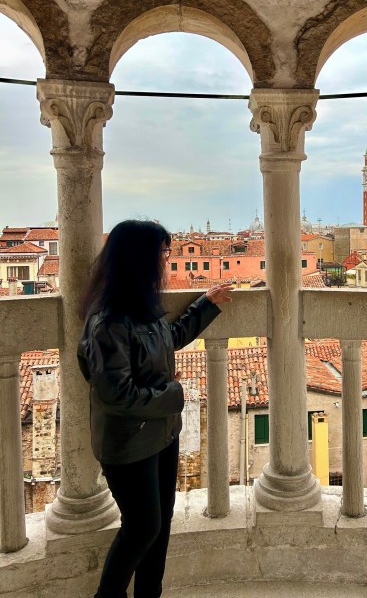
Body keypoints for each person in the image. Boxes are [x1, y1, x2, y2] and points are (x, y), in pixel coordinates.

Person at [77, 220, 232, 598]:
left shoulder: (140, 305)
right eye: (163, 253)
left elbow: (168, 338)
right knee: (142, 527)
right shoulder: (107, 320)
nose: (167, 260)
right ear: (140, 259)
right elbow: (117, 394)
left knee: (159, 525)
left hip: (162, 434)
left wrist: (205, 305)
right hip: (129, 442)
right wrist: (174, 395)